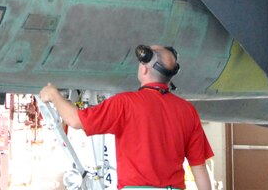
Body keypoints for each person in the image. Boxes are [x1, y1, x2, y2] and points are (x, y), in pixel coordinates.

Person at [40, 45, 214, 190]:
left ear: (144, 68)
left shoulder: (125, 103)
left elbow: (76, 120)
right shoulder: (187, 111)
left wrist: (54, 95)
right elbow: (199, 170)